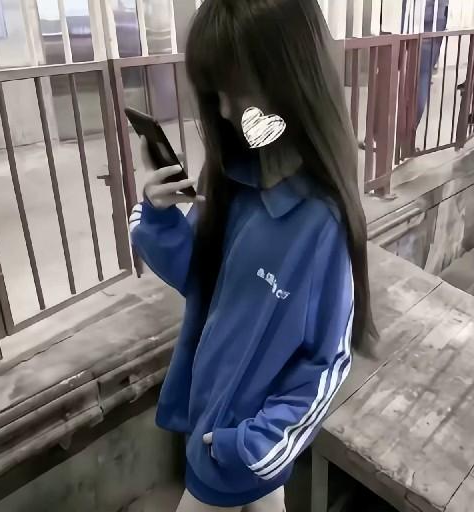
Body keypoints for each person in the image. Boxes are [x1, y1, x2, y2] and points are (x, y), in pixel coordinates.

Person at [130, 0, 377, 510]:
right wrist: (159, 217)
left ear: (292, 83)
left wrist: (254, 445)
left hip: (236, 446)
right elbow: (197, 277)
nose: (223, 110)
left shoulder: (321, 223)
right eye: (215, 91)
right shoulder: (230, 180)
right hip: (219, 430)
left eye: (236, 90)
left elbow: (327, 359)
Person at [402, 0, 449, 124]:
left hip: (409, 13)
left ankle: (392, 130)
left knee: (394, 71)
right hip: (436, 17)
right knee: (423, 74)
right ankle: (409, 130)